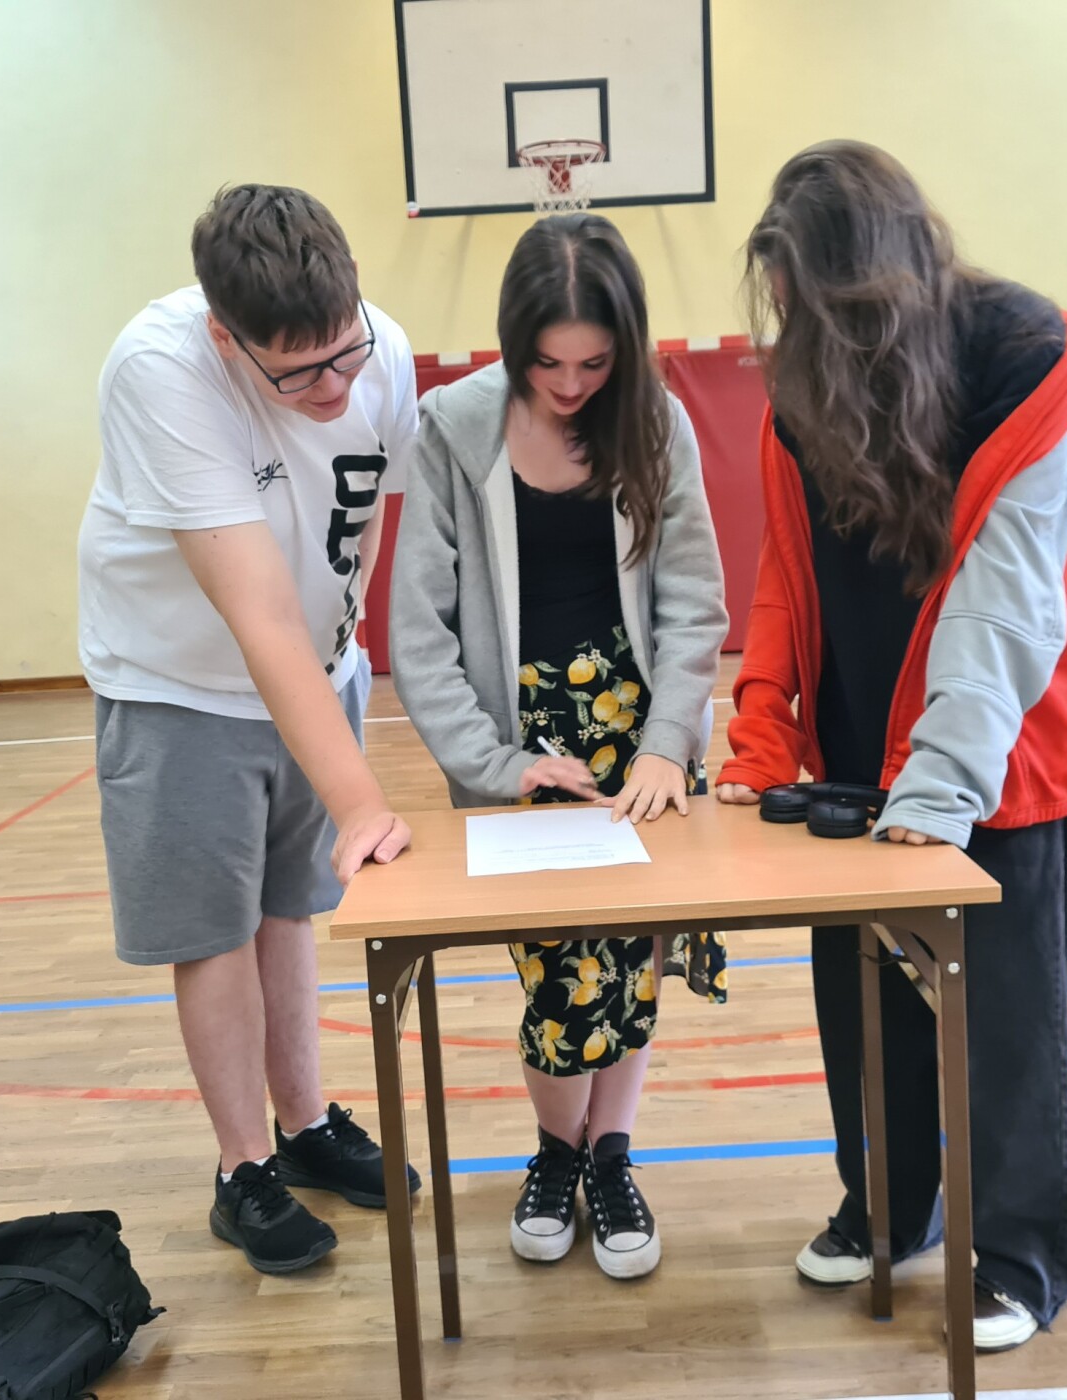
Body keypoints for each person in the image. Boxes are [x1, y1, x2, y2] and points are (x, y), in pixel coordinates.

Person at [717, 141, 1067, 1351]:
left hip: (998, 757)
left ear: (871, 285)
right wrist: (761, 728)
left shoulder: (1017, 355)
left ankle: (1022, 1255)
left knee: (1002, 1023)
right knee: (863, 1011)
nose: (792, 325)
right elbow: (786, 569)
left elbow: (1003, 603)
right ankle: (889, 1208)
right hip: (855, 752)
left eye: (809, 302)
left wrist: (936, 791)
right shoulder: (798, 386)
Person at [77, 183, 421, 1276]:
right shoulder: (161, 368)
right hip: (181, 687)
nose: (335, 386)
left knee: (288, 909)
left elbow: (373, 533)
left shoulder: (382, 351)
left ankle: (305, 1122)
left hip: (320, 676)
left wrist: (356, 661)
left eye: (344, 354)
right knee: (215, 931)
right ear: (228, 337)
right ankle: (242, 1169)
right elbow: (259, 615)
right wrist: (361, 799)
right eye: (299, 373)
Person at [390, 214, 729, 1279]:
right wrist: (495, 765)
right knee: (559, 975)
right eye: (548, 364)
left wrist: (666, 744)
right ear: (512, 342)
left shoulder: (655, 420)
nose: (572, 385)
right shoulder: (453, 428)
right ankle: (557, 1151)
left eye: (594, 363)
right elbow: (418, 632)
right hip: (527, 746)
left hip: (640, 740)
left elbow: (693, 600)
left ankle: (607, 1155)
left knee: (633, 966)